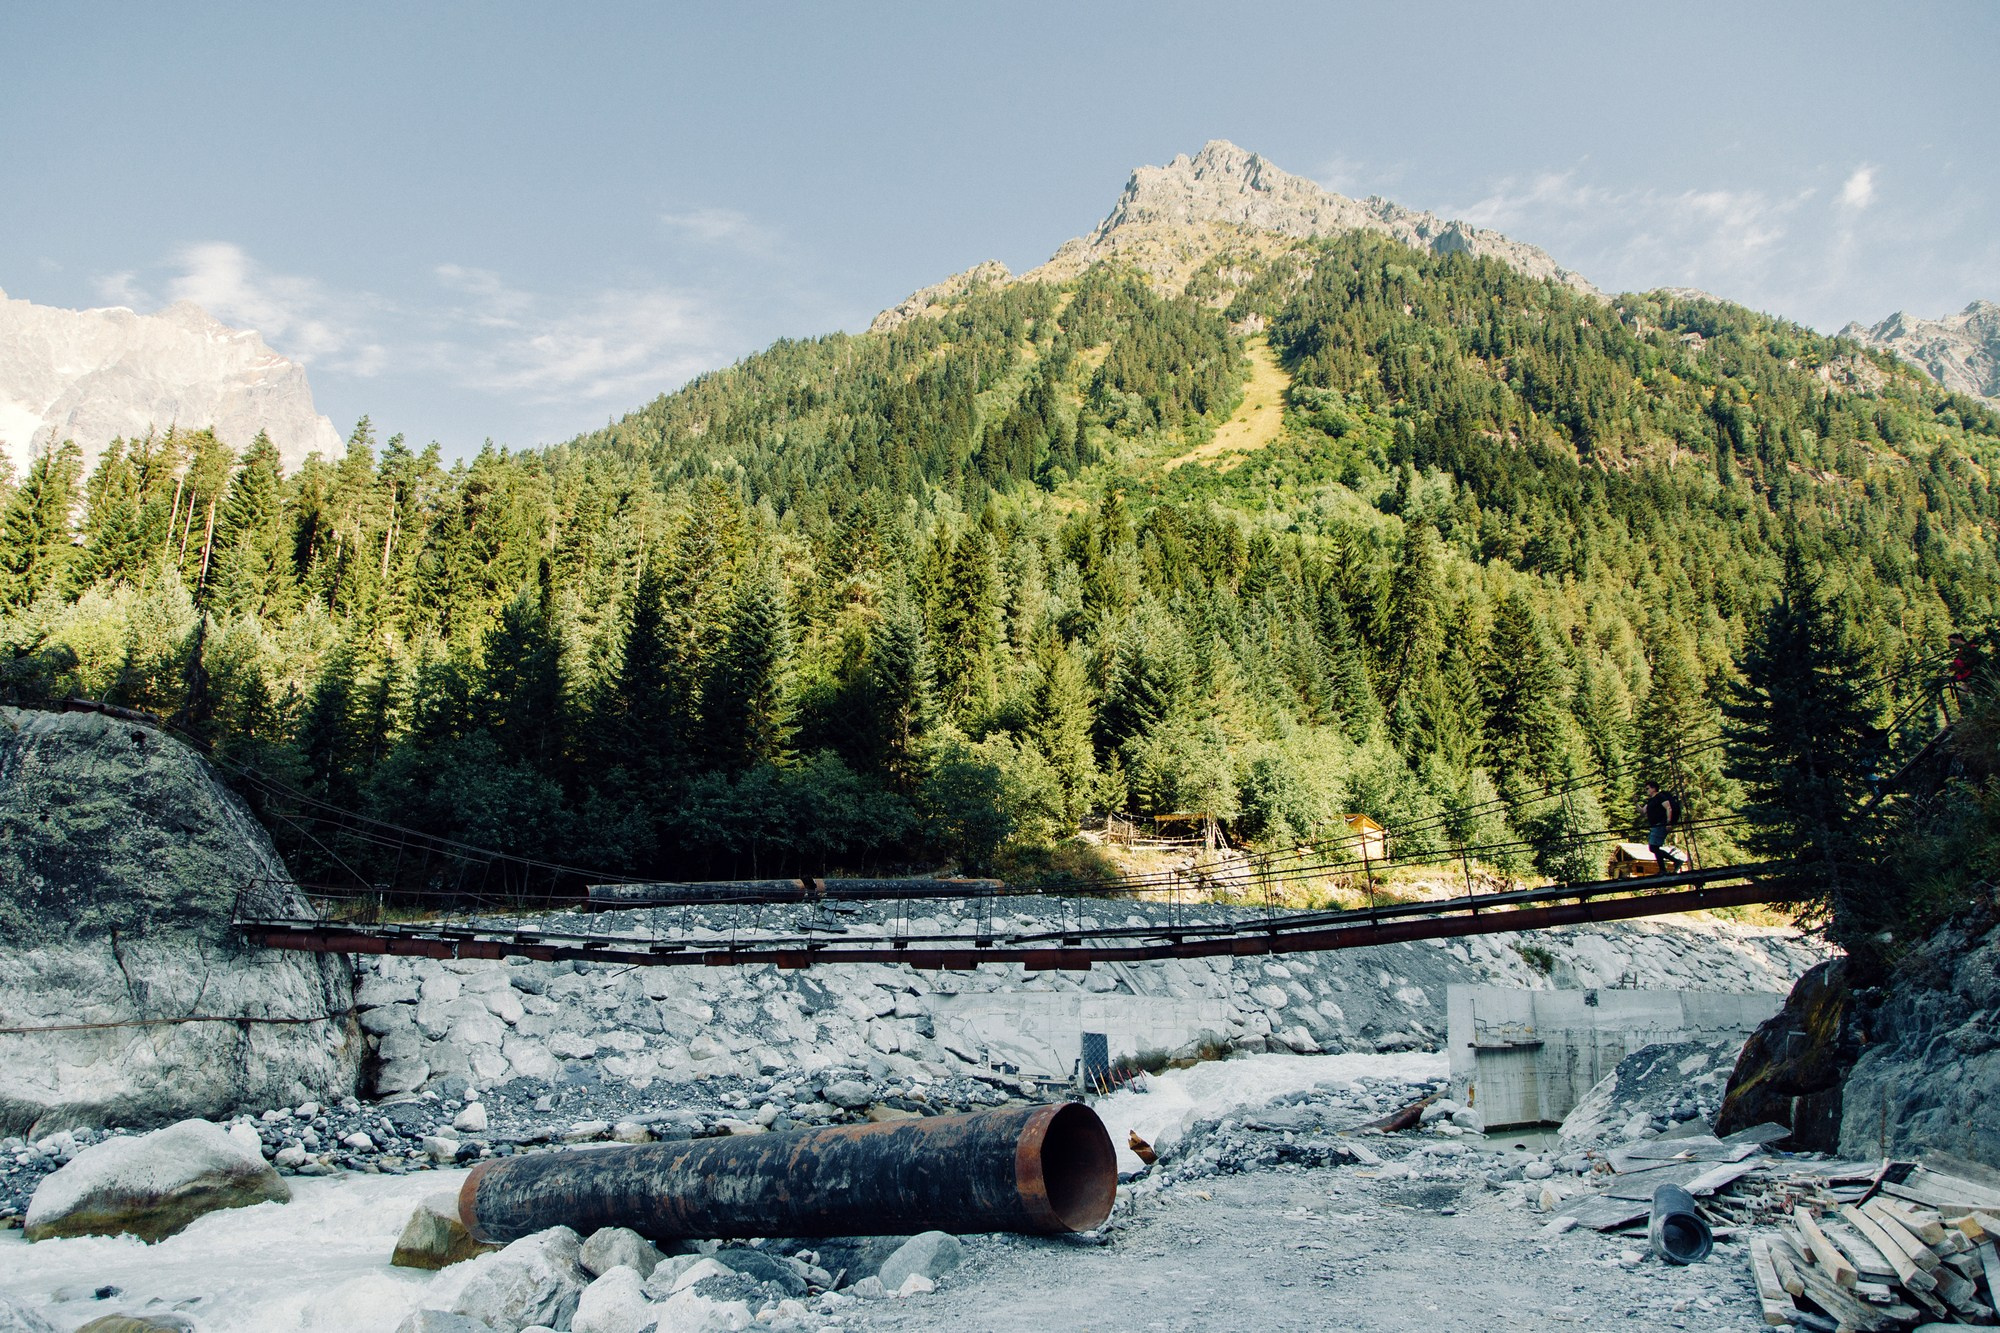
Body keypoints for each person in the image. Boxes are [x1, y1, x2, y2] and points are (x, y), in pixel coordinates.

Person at [1639, 781, 1678, 875]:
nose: (1646, 791)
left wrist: (1668, 822)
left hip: (1661, 824)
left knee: (1653, 847)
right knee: (1654, 847)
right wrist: (1636, 803)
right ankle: (1671, 864)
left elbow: (1668, 808)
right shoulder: (1651, 801)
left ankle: (1666, 868)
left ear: (1653, 788)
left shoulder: (1660, 797)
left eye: (1648, 788)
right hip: (1655, 825)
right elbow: (1643, 811)